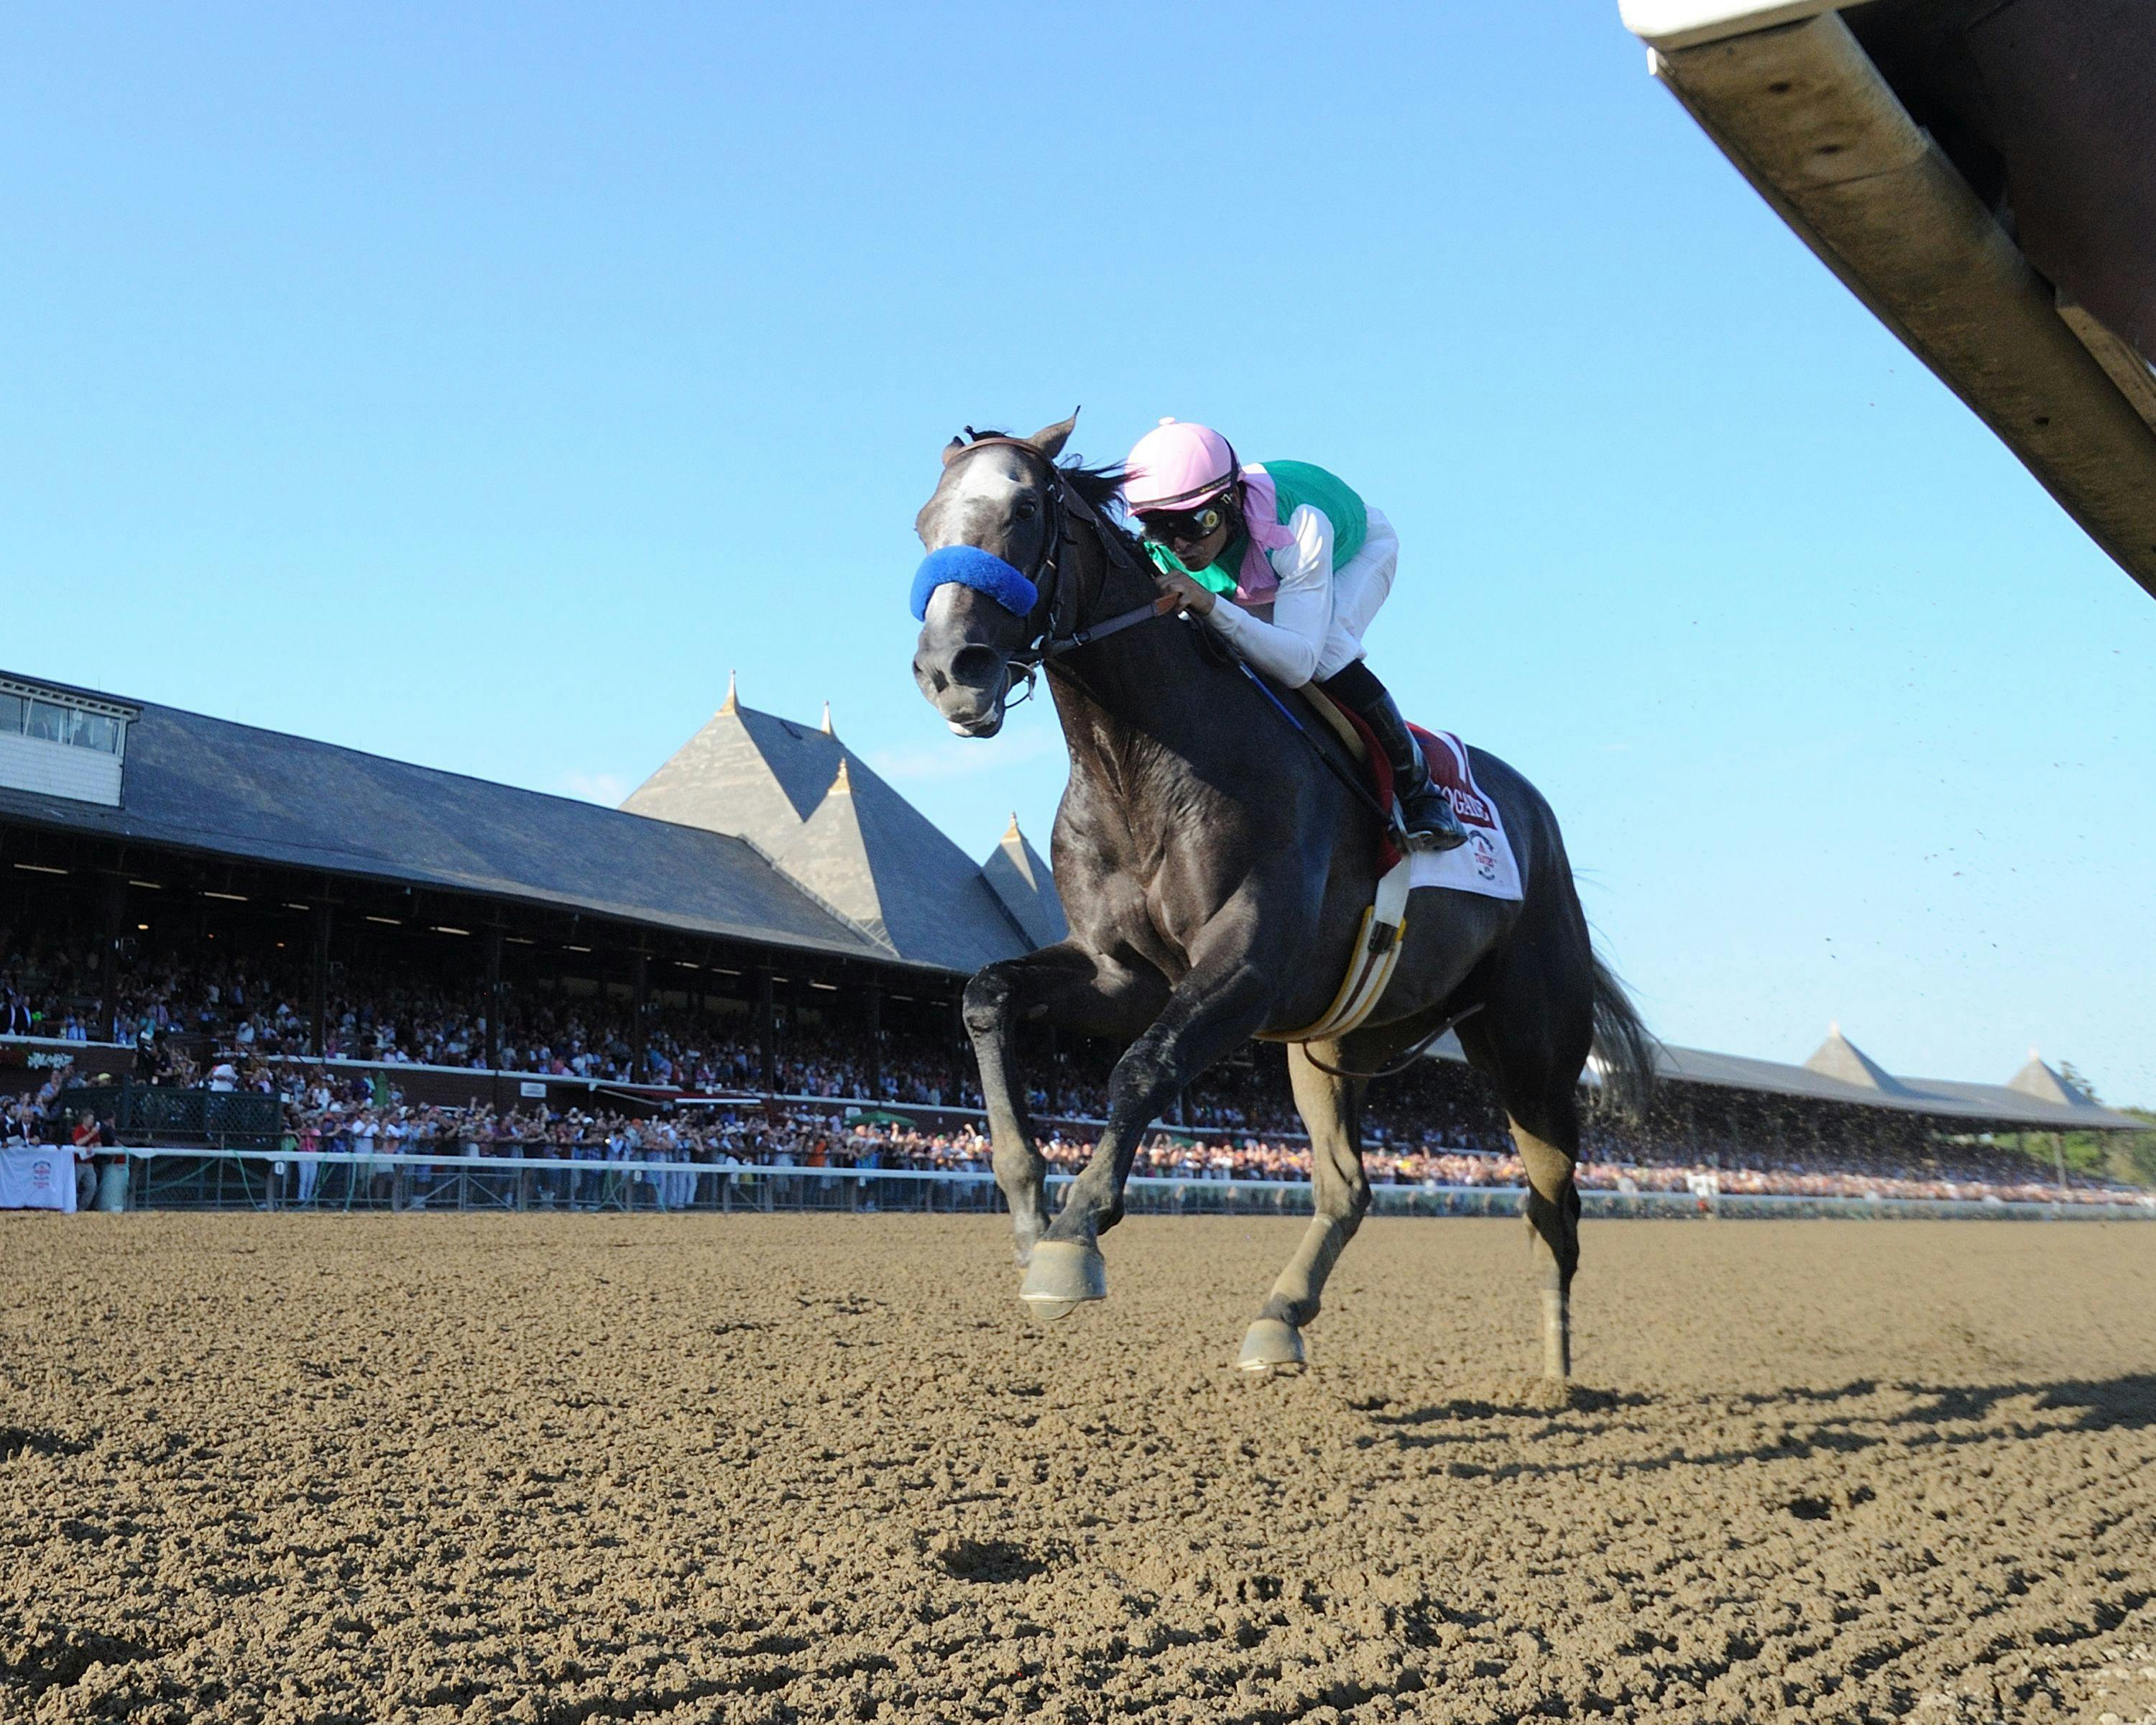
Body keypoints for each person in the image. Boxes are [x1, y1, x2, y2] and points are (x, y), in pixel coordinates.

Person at [1123, 418, 1466, 850]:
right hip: (1260, 580)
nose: (1178, 545)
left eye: (1195, 523)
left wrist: (1209, 604)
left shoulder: (1299, 526)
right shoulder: (1166, 545)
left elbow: (1297, 664)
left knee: (1326, 651)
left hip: (1351, 554)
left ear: (1230, 500)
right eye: (1158, 526)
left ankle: (1420, 792)